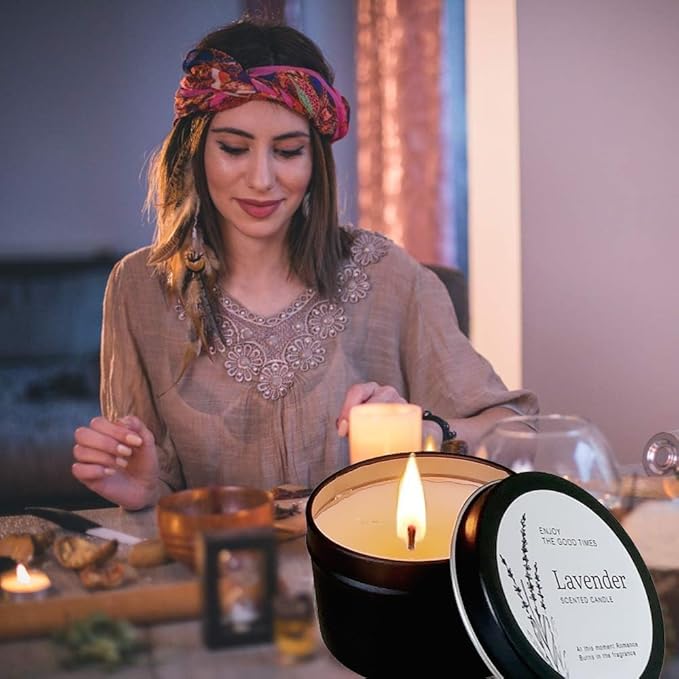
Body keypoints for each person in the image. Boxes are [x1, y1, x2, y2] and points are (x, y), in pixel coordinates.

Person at [72, 17, 538, 511]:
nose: (261, 179)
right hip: (211, 560)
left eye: (288, 151)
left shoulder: (387, 276)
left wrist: (428, 430)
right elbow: (156, 484)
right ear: (196, 150)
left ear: (315, 161)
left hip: (363, 558)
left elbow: (518, 433)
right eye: (234, 148)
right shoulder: (138, 289)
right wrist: (145, 490)